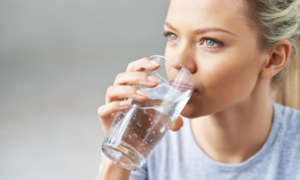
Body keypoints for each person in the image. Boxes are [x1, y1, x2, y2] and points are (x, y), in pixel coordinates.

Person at [97, 0, 300, 179]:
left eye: (210, 42)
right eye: (172, 36)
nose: (179, 62)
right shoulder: (147, 136)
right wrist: (118, 158)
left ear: (274, 58)